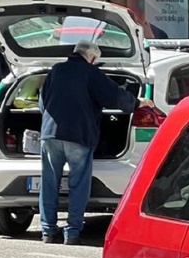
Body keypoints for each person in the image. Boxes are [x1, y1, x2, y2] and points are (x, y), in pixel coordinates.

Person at [37, 41, 143, 244]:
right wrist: (137, 103)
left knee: (49, 183)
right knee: (78, 185)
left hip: (50, 135)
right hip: (79, 136)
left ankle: (48, 231)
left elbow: (42, 103)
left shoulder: (56, 70)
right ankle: (72, 232)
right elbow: (115, 97)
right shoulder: (91, 73)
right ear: (92, 58)